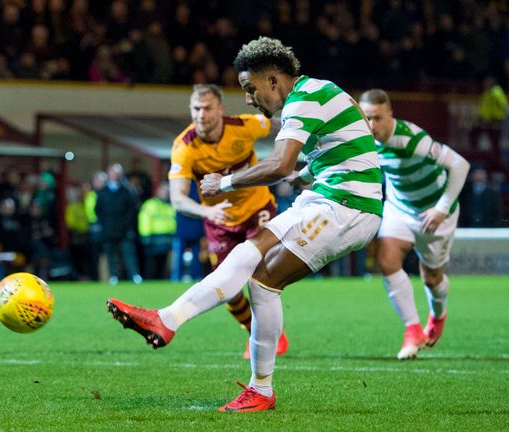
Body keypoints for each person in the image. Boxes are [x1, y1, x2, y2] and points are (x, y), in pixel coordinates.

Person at [107, 36, 383, 412]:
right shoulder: (317, 92)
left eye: (251, 89)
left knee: (265, 279)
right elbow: (344, 142)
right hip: (328, 198)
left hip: (348, 207)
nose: (250, 100)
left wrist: (224, 182)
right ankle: (165, 319)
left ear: (273, 80)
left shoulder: (303, 99)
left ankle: (261, 390)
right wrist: (309, 171)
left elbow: (279, 165)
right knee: (247, 254)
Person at [167, 83, 286, 358]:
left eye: (207, 108)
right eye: (196, 108)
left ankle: (269, 338)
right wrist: (206, 212)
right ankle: (251, 331)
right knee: (226, 287)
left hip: (257, 209)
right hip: (218, 220)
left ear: (220, 109)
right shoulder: (184, 147)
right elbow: (178, 198)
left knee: (258, 275)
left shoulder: (244, 126)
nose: (201, 114)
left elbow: (282, 126)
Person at [359, 89, 470, 359]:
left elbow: (460, 165)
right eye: (367, 119)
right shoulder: (365, 139)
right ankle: (413, 330)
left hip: (435, 213)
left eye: (377, 118)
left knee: (431, 279)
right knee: (387, 261)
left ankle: (438, 315)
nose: (371, 126)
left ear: (390, 115)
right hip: (399, 208)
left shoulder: (411, 139)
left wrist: (441, 209)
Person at [95, 163, 142, 285]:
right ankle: (113, 276)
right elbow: (98, 210)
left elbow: (132, 210)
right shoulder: (103, 192)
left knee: (129, 254)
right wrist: (105, 223)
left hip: (124, 229)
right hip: (108, 229)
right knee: (111, 255)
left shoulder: (126, 191)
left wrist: (127, 225)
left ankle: (134, 275)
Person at [137, 181, 176, 279]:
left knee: (163, 263)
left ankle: (161, 280)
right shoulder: (150, 204)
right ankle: (149, 280)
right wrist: (146, 236)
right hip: (153, 238)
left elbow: (172, 221)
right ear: (158, 192)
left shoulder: (169, 206)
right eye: (163, 191)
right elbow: (144, 220)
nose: (166, 193)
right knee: (151, 263)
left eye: (167, 191)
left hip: (166, 238)